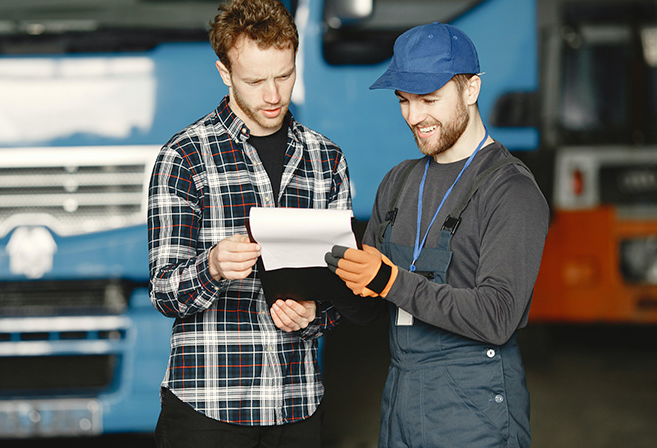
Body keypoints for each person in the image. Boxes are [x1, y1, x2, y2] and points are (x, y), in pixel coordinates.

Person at [325, 22, 549, 447]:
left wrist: (390, 280)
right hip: (401, 405)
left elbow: (497, 316)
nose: (414, 117)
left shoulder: (510, 190)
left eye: (429, 99)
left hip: (475, 415)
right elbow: (370, 306)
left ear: (471, 90)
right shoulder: (398, 182)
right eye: (404, 101)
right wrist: (322, 284)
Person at [147, 0, 352, 446]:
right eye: (256, 81)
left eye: (284, 75)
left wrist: (315, 315)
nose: (274, 95)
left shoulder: (326, 160)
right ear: (225, 73)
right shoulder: (184, 158)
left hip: (297, 405)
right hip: (207, 408)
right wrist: (213, 266)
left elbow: (345, 288)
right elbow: (163, 292)